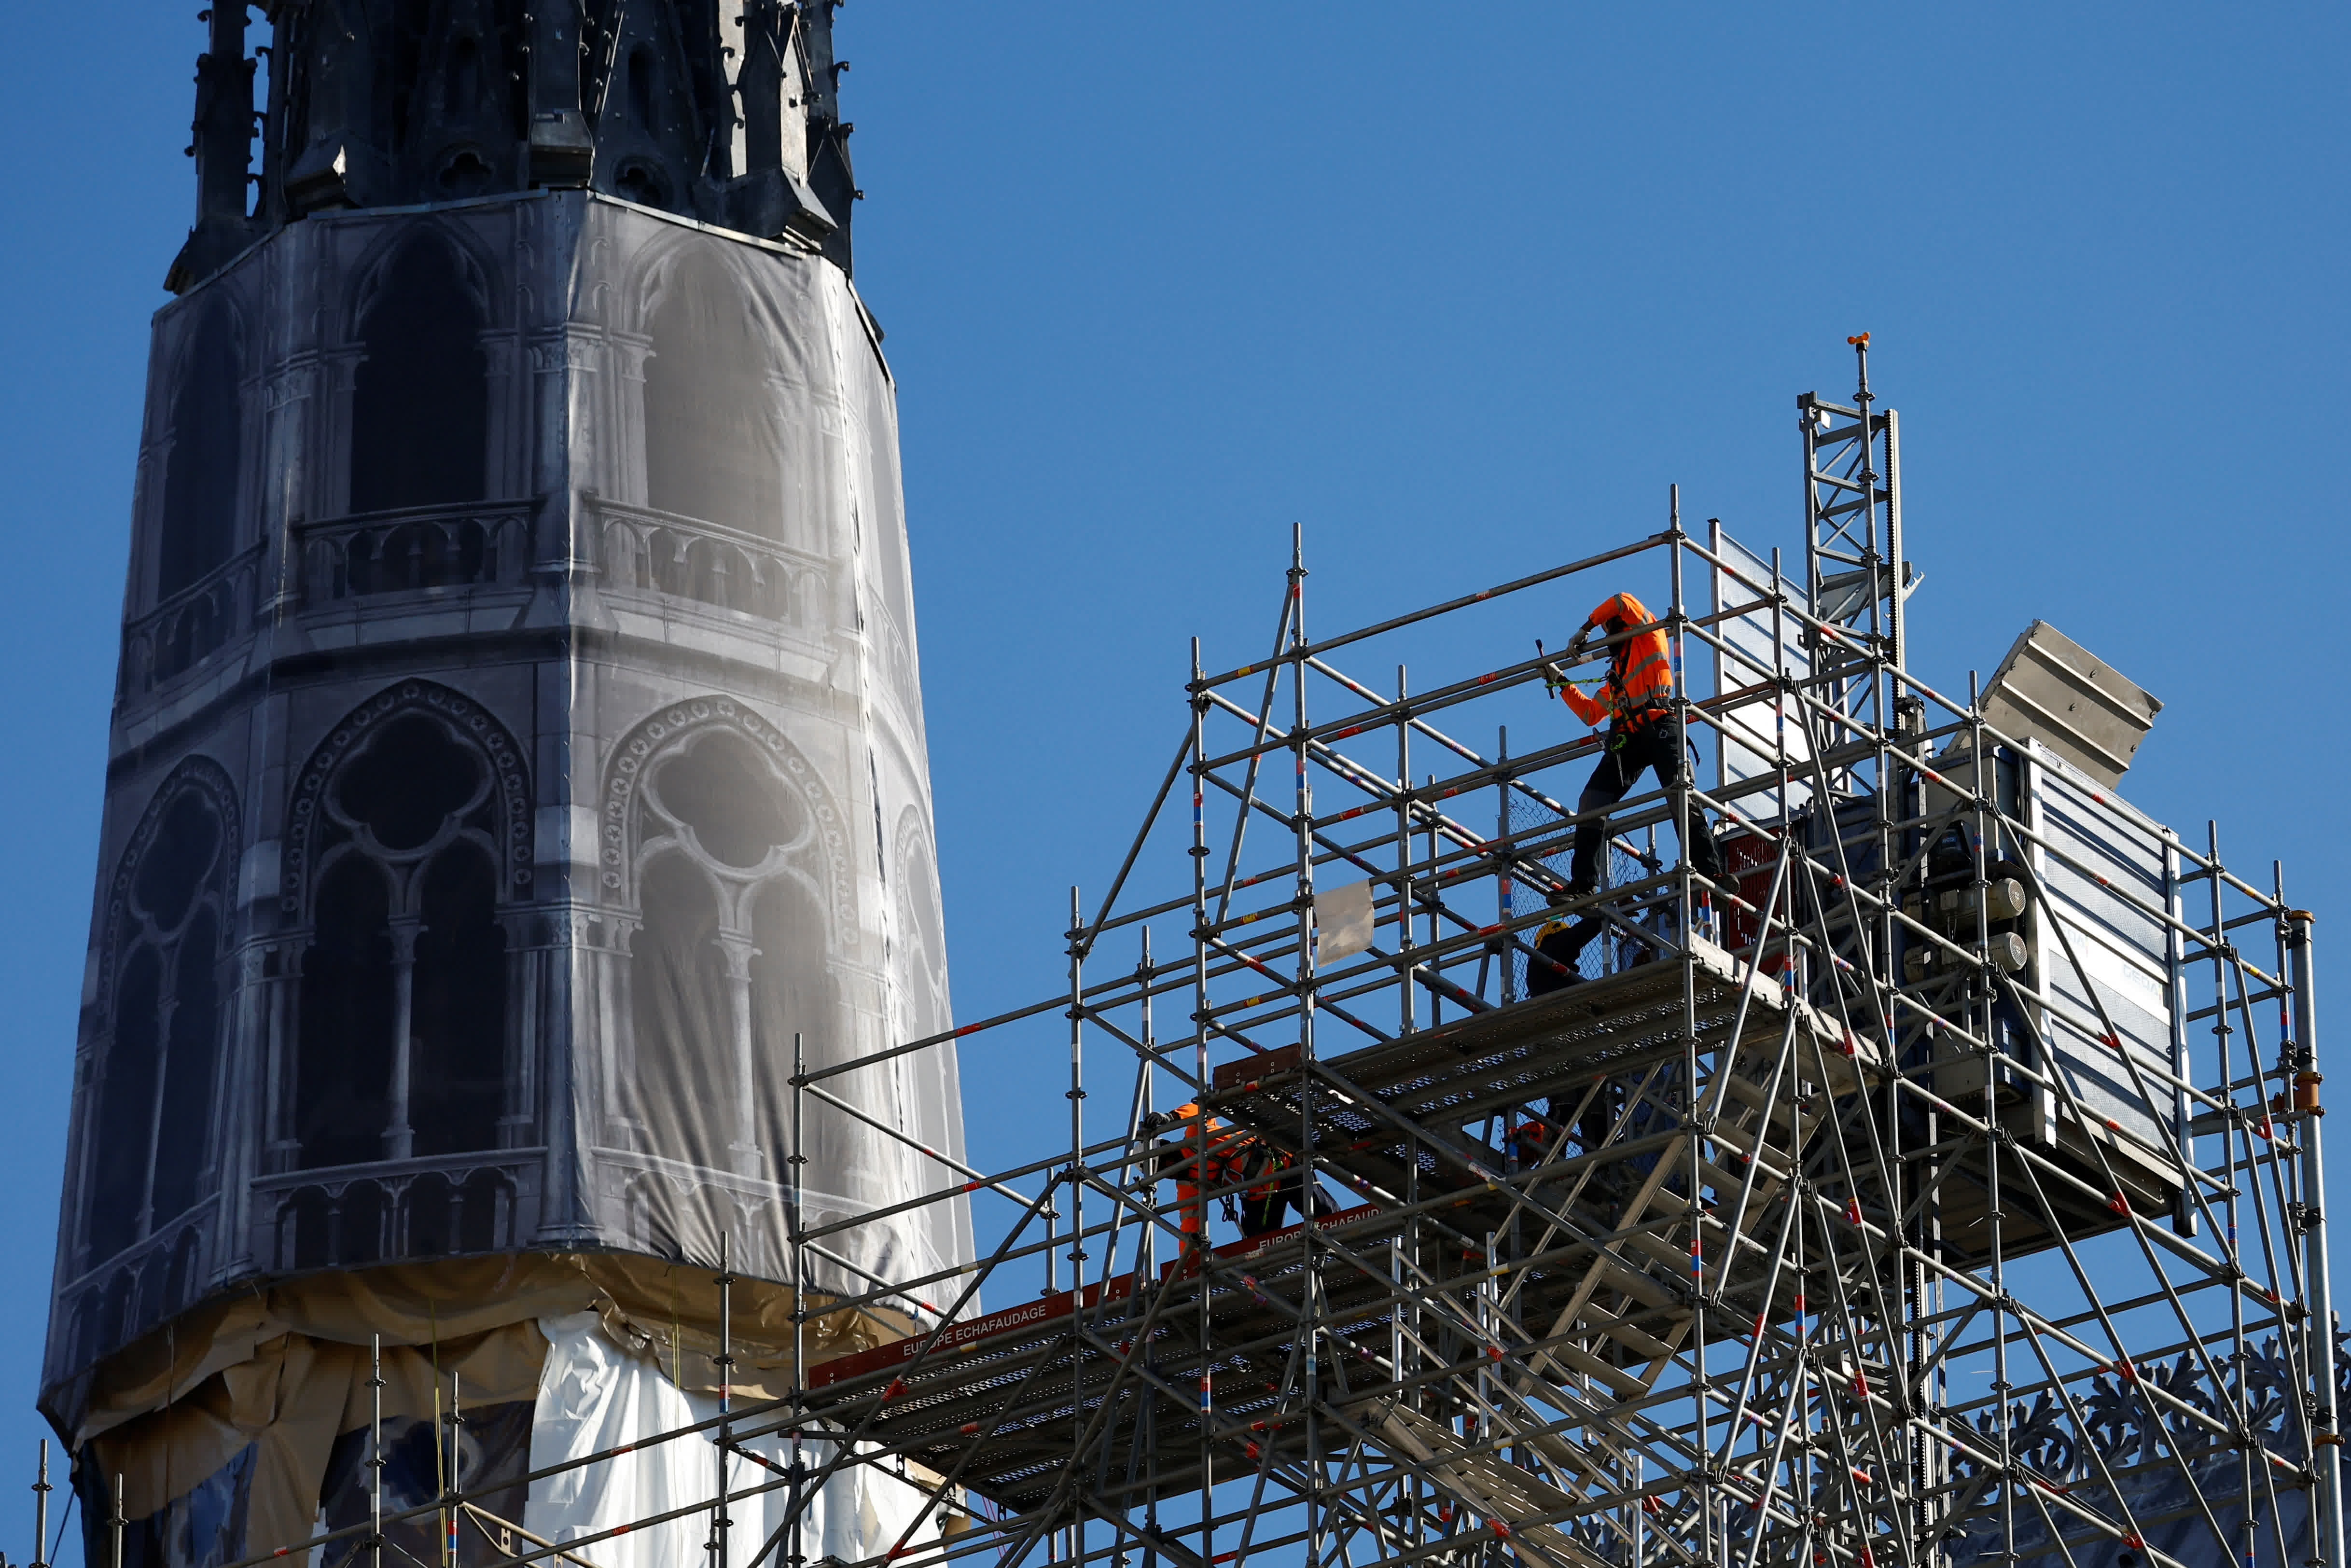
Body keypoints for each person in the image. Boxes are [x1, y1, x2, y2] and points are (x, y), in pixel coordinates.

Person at [1545, 590, 1723, 897]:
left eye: (1606, 629)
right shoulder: (1618, 673)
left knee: (1680, 793)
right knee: (1591, 802)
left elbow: (1621, 600)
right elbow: (1591, 714)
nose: (1604, 638)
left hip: (1659, 726)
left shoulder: (1648, 635)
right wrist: (1559, 680)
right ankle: (1584, 884)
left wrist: (1585, 627)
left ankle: (1711, 874)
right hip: (1627, 738)